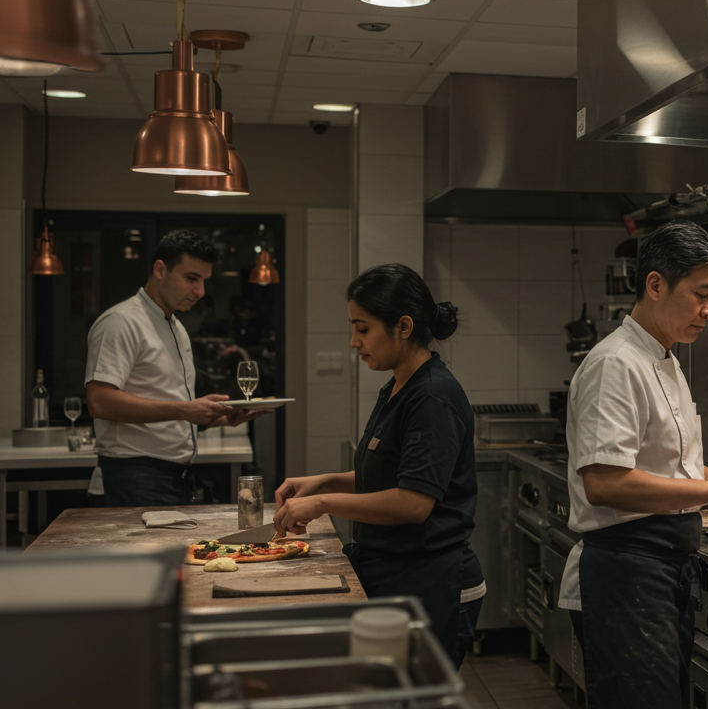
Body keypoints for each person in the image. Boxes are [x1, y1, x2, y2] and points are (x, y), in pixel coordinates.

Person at [559, 220, 708, 709]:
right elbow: (605, 483)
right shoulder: (615, 364)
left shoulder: (664, 359)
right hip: (625, 577)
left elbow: (667, 468)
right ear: (656, 284)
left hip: (661, 574)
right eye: (701, 295)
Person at [273, 264, 484, 666]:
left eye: (363, 328)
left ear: (403, 326)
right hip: (395, 573)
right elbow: (390, 474)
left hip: (430, 582)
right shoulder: (398, 384)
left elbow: (412, 502)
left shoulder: (432, 396)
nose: (354, 342)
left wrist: (322, 504)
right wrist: (323, 482)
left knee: (410, 699)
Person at [85, 229, 262, 507]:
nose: (200, 291)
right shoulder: (121, 322)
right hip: (132, 475)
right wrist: (185, 409)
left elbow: (165, 405)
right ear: (160, 270)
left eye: (204, 281)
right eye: (191, 278)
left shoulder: (176, 327)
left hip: (175, 476)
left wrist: (213, 418)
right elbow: (99, 401)